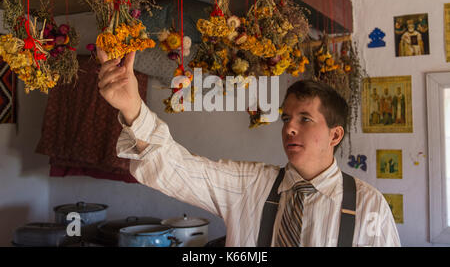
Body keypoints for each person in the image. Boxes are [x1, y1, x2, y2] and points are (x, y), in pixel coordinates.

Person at [97, 48, 400, 247]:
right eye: (286, 118)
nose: (290, 127)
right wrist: (134, 109)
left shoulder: (368, 205)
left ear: (335, 136)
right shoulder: (251, 184)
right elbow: (178, 169)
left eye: (305, 119)